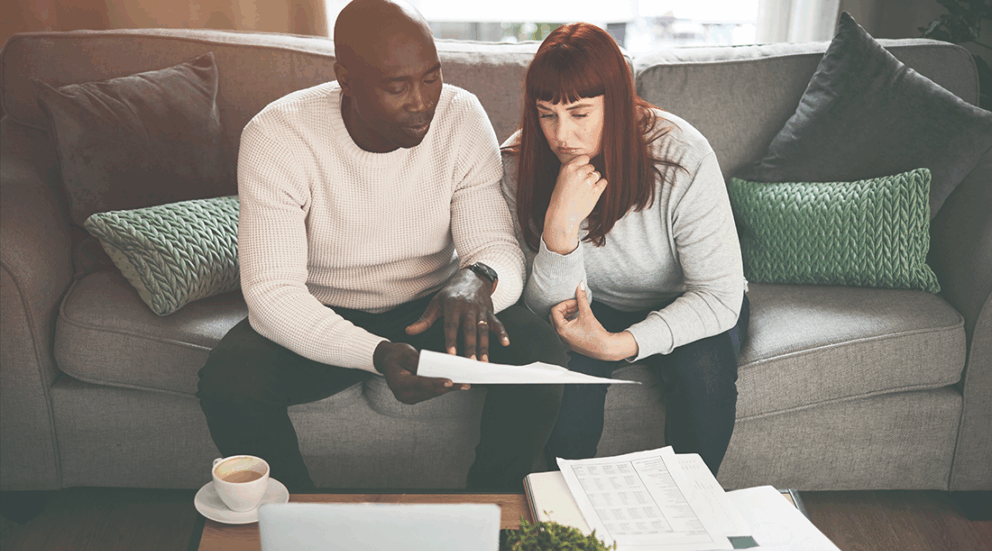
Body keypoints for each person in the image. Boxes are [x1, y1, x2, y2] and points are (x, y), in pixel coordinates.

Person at [196, 0, 565, 492]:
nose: (422, 102)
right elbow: (272, 294)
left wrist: (478, 277)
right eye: (397, 87)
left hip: (434, 308)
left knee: (539, 353)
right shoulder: (278, 136)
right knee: (230, 383)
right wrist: (375, 353)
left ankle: (491, 506)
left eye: (431, 78)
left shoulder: (460, 116)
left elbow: (497, 247)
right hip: (322, 311)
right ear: (346, 81)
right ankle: (295, 515)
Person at [501, 23, 749, 476]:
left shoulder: (684, 155)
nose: (561, 135)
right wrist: (560, 226)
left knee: (706, 376)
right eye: (547, 115)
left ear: (616, 106)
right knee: (568, 389)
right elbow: (541, 309)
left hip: (684, 298)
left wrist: (621, 345)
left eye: (579, 113)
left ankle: (689, 504)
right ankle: (567, 508)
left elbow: (719, 296)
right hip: (590, 303)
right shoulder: (518, 161)